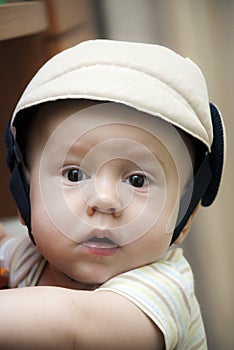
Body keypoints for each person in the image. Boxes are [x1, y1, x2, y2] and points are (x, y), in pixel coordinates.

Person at [0, 39, 225, 349]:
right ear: (25, 195)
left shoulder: (161, 293)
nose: (105, 200)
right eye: (74, 174)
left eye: (136, 180)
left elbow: (73, 325)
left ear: (184, 218)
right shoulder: (31, 259)